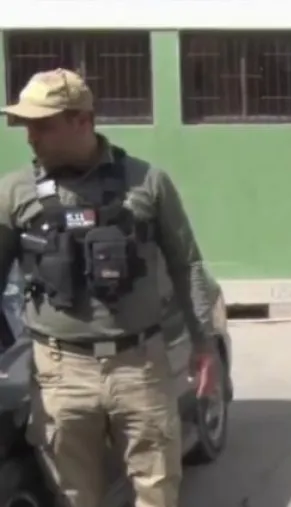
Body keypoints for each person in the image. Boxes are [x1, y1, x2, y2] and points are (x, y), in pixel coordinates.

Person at [0, 68, 217, 507]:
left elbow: (187, 263)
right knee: (73, 495)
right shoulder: (14, 191)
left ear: (83, 120)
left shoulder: (148, 183)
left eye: (42, 125)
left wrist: (203, 343)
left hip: (139, 366)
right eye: (26, 126)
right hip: (59, 371)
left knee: (156, 490)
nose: (31, 138)